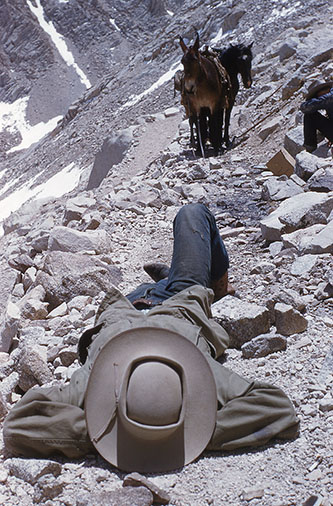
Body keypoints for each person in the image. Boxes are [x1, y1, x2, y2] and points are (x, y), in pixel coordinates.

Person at [3, 204, 299, 473]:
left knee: (163, 264)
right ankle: (207, 284)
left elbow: (19, 424)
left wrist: (109, 430)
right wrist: (178, 432)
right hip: (181, 300)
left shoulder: (94, 380)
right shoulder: (204, 375)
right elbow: (276, 407)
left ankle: (165, 278)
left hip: (127, 304)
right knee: (192, 214)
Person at [300, 80, 333, 153]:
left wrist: (315, 101)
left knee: (310, 116)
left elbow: (305, 107)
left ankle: (310, 149)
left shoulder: (329, 98)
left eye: (316, 97)